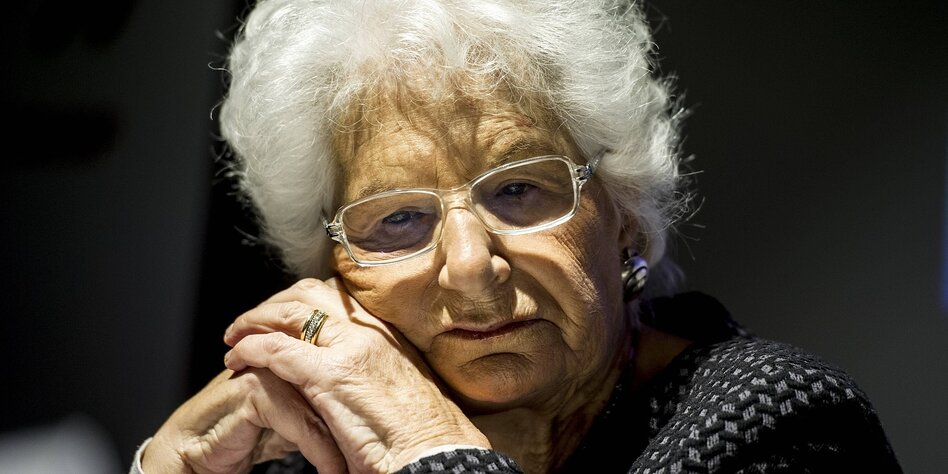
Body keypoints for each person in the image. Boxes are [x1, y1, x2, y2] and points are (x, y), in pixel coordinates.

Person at [131, 0, 902, 472]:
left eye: (518, 189)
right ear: (333, 266)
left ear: (625, 211)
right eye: (399, 219)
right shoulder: (304, 444)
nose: (471, 267)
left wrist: (430, 450)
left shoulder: (777, 423)